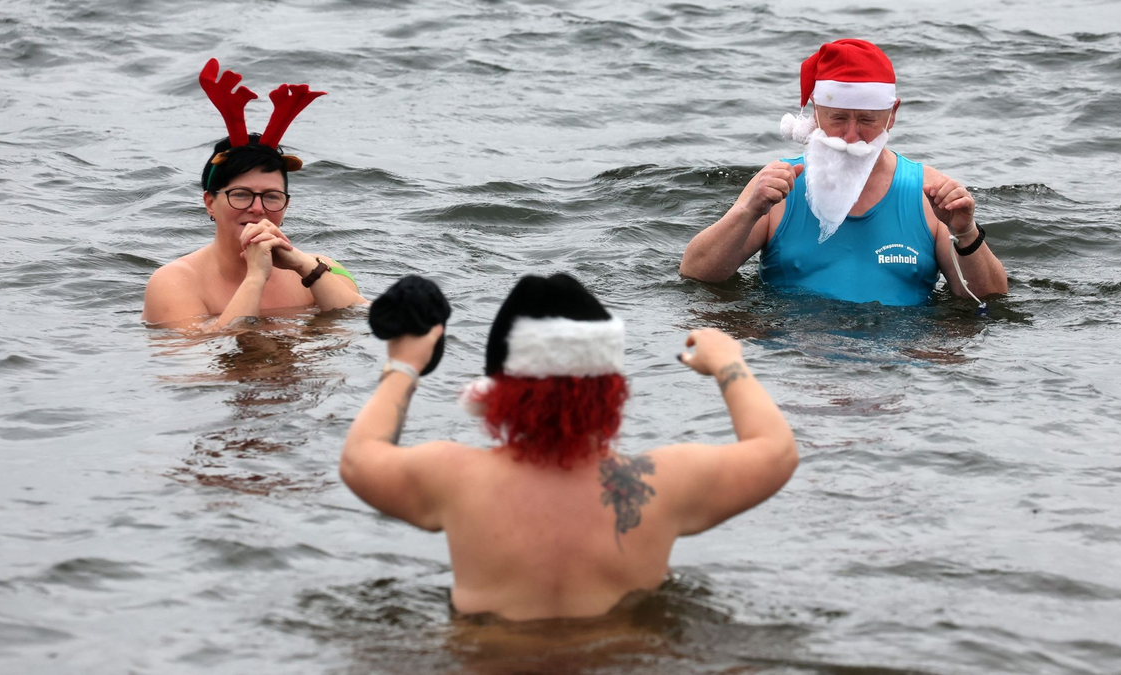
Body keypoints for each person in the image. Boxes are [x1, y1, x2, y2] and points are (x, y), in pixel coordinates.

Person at [340, 273, 798, 621]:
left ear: (494, 389)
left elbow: (360, 458)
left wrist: (403, 365)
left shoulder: (452, 477)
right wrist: (729, 365)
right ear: (612, 388)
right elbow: (776, 451)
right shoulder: (662, 483)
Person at [680, 39, 1008, 306]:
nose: (851, 136)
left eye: (867, 120)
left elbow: (989, 300)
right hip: (799, 359)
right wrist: (747, 211)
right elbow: (696, 274)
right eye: (838, 118)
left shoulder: (930, 193)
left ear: (891, 115)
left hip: (896, 361)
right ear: (815, 112)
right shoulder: (779, 189)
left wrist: (965, 233)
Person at [143, 58, 365, 330]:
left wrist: (306, 268)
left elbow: (372, 321)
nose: (258, 208)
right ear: (210, 202)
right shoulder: (173, 282)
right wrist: (255, 277)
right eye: (241, 194)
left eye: (272, 196)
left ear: (286, 204)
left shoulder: (321, 269)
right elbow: (197, 359)